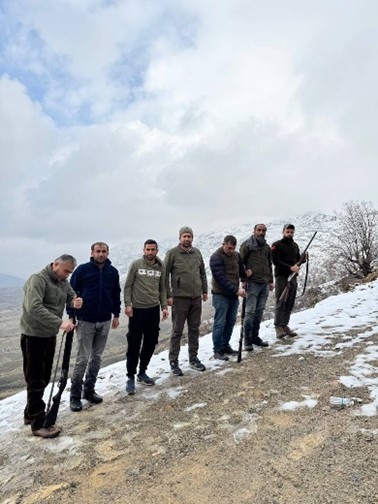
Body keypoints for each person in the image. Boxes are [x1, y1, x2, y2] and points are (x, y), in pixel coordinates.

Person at [20, 255, 83, 438]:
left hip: (48, 334)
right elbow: (34, 307)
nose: (67, 275)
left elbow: (71, 294)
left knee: (43, 377)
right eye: (65, 271)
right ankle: (38, 424)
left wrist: (75, 301)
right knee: (35, 378)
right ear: (55, 264)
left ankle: (30, 414)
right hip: (33, 335)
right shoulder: (37, 280)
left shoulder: (61, 280)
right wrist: (59, 322)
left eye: (69, 272)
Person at [68, 242, 121, 412]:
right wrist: (71, 315)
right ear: (92, 252)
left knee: (96, 357)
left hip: (104, 319)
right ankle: (75, 396)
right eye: (98, 251)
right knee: (82, 359)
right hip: (85, 320)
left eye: (103, 251)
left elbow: (115, 293)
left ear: (107, 252)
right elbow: (71, 292)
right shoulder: (82, 270)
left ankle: (89, 391)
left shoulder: (112, 272)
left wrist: (116, 314)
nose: (101, 254)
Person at [124, 239, 169, 395]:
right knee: (134, 344)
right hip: (137, 310)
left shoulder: (161, 266)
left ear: (157, 250)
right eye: (148, 249)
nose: (150, 252)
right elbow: (128, 285)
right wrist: (128, 304)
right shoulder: (136, 265)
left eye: (153, 249)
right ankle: (130, 376)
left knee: (150, 342)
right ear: (143, 250)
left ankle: (142, 372)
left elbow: (162, 288)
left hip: (153, 310)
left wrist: (164, 307)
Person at [164, 226, 208, 375]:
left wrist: (204, 291)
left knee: (194, 329)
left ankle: (193, 358)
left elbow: (202, 273)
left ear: (192, 238)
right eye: (184, 236)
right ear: (180, 238)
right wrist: (168, 295)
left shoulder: (197, 253)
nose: (187, 239)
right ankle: (173, 361)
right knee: (177, 330)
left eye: (189, 236)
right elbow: (165, 276)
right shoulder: (172, 253)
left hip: (196, 298)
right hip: (179, 298)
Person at [209, 235, 246, 360]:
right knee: (219, 322)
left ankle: (225, 345)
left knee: (230, 322)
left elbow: (241, 269)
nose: (231, 250)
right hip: (221, 294)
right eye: (229, 248)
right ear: (223, 244)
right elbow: (220, 279)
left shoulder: (236, 255)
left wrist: (245, 275)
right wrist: (236, 290)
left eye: (233, 248)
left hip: (233, 295)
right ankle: (217, 349)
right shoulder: (216, 257)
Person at [239, 224, 273, 351]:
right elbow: (240, 263)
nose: (261, 232)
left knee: (259, 312)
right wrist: (243, 278)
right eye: (259, 230)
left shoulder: (266, 247)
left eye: (263, 230)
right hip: (252, 283)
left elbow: (269, 264)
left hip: (264, 283)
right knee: (249, 312)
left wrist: (270, 281)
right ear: (254, 231)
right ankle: (247, 340)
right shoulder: (247, 245)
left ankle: (255, 337)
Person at [271, 224, 301, 338]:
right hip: (281, 277)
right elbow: (275, 261)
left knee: (290, 302)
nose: (290, 234)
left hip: (293, 277)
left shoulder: (294, 245)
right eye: (287, 232)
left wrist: (300, 262)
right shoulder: (276, 245)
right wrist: (290, 268)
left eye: (291, 232)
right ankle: (278, 326)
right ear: (283, 232)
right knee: (281, 301)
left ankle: (284, 325)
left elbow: (298, 259)